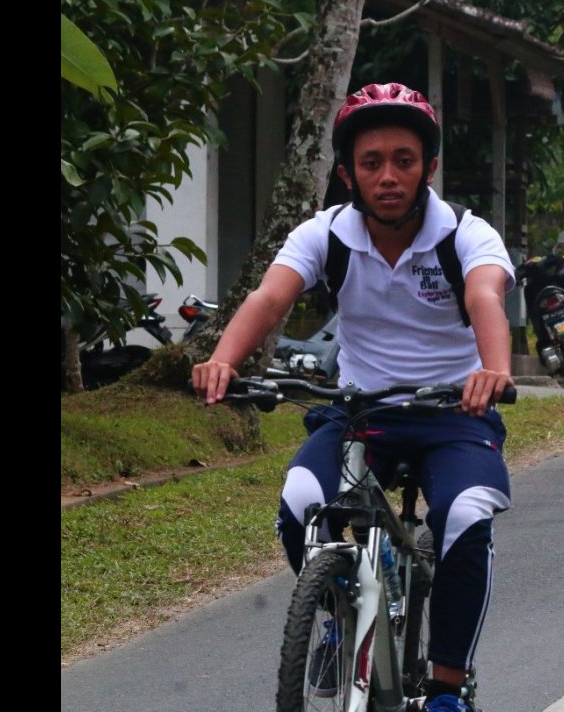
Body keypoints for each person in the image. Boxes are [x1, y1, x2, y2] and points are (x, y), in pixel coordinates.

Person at [191, 82, 515, 712]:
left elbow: (486, 298)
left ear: (429, 167)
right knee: (300, 502)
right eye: (371, 163)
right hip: (361, 414)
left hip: (455, 412)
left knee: (467, 515)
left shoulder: (465, 236)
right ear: (347, 173)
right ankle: (341, 606)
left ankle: (448, 688)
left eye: (404, 159)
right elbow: (269, 298)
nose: (388, 175)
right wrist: (223, 360)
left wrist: (493, 370)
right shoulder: (327, 234)